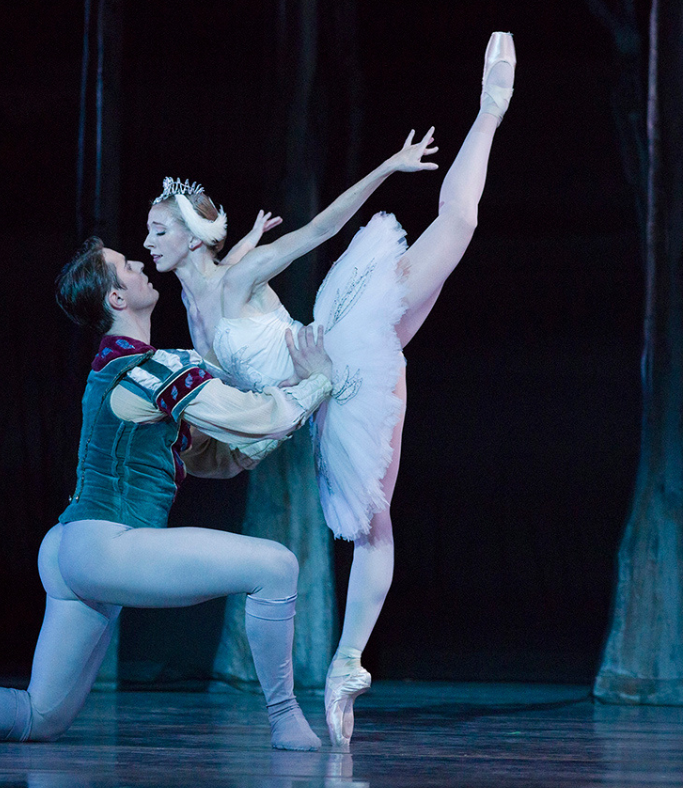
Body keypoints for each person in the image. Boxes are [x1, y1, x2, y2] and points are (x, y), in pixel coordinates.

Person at [0, 238, 337, 750]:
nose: (140, 266)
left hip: (68, 550)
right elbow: (259, 417)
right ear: (116, 298)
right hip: (107, 546)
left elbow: (216, 457)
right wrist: (317, 382)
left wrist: (274, 424)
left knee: (40, 716)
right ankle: (285, 719)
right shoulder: (150, 368)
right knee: (276, 566)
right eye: (128, 267)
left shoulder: (116, 370)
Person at [143, 32, 515, 750]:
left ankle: (490, 108)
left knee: (456, 226)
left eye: (159, 229)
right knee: (372, 521)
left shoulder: (229, 282)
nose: (149, 239)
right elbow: (231, 395)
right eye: (150, 229)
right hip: (328, 395)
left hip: (340, 346)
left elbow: (320, 227)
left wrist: (389, 164)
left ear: (190, 239)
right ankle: (346, 664)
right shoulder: (197, 311)